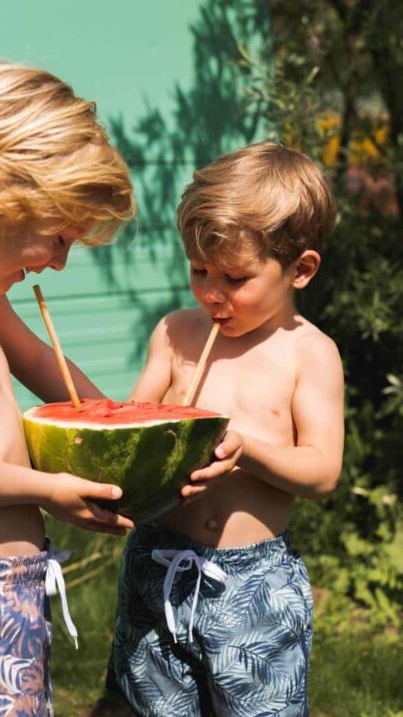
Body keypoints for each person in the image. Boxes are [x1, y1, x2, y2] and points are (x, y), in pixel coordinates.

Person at [0, 60, 135, 716]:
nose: (58, 262)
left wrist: (139, 434)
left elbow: (47, 365)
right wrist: (52, 491)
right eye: (59, 236)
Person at [108, 142, 344, 716]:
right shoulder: (174, 333)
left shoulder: (309, 353)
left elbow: (321, 472)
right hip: (157, 562)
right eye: (198, 270)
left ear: (300, 269)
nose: (212, 292)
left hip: (253, 585)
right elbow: (135, 424)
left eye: (235, 277)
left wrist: (248, 450)